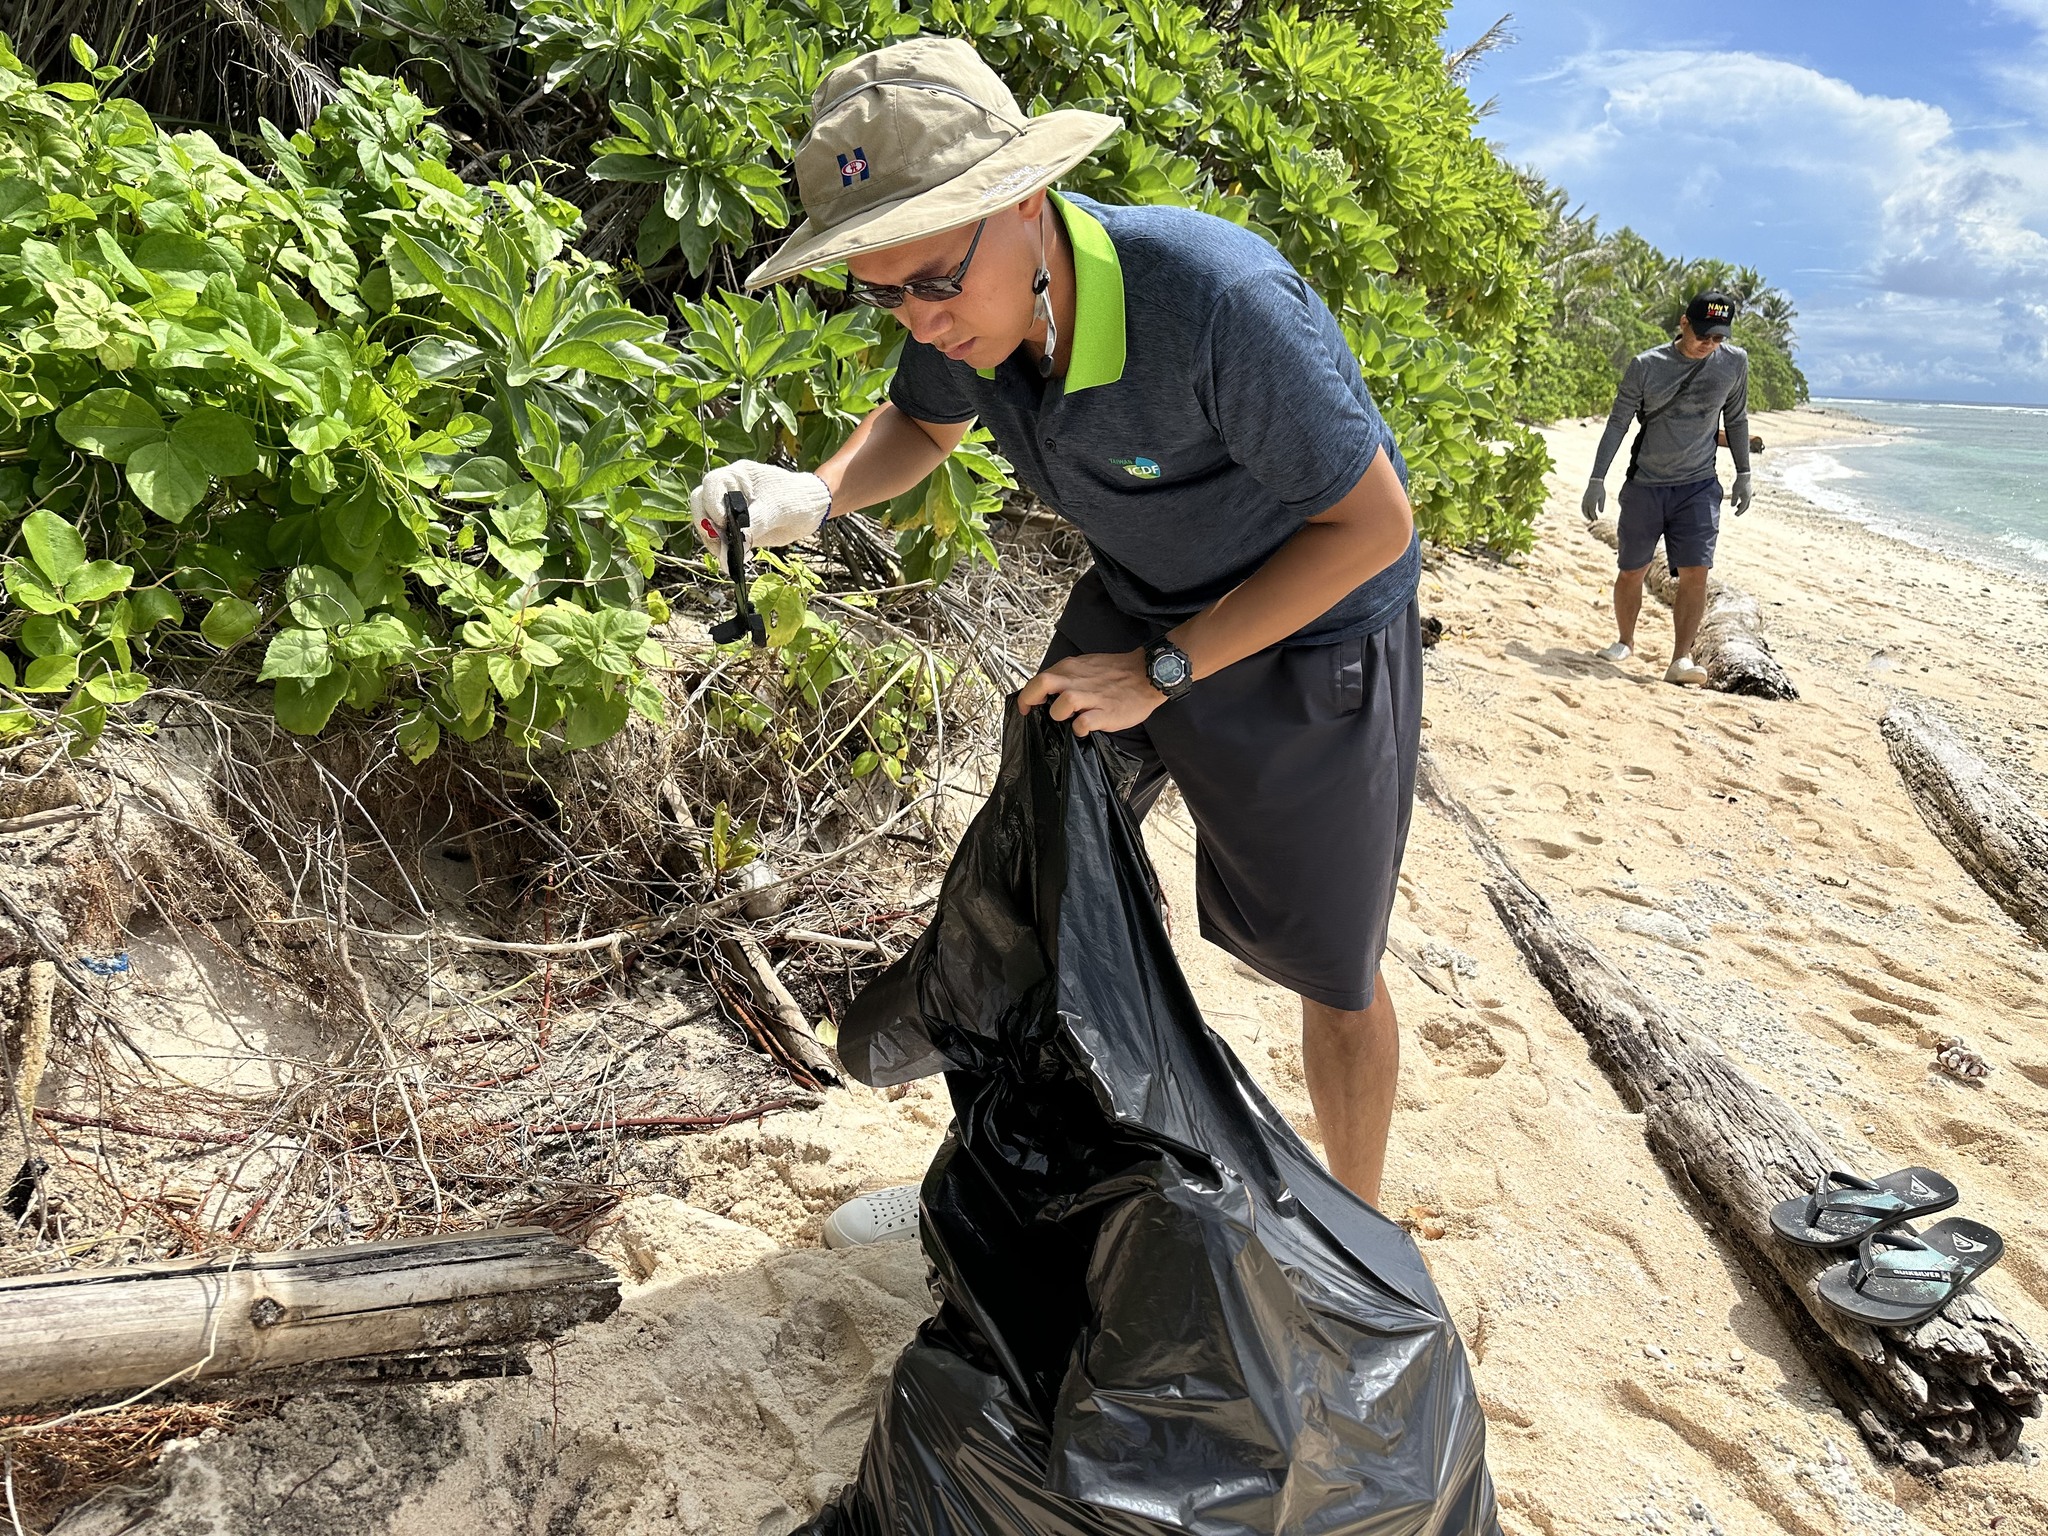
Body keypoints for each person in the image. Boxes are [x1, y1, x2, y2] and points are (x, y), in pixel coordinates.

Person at [686, 37, 1424, 1241]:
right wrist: (810, 496)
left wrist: (1163, 673)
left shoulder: (1216, 301)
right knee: (1030, 888)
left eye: (930, 282)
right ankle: (1013, 1171)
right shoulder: (962, 305)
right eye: (880, 294)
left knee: (1328, 968)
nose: (919, 322)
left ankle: (1359, 1235)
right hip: (1138, 596)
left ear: (1022, 199)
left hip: (1308, 631)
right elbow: (919, 431)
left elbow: (1372, 527)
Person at [1580, 293, 1753, 686]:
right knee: (1631, 570)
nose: (1709, 345)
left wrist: (1744, 472)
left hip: (1698, 487)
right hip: (1646, 485)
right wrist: (1596, 478)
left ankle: (1680, 659)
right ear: (1683, 323)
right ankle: (1625, 640)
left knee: (1697, 573)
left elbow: (1737, 419)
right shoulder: (1646, 366)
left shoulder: (1734, 363)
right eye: (1703, 336)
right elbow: (1617, 423)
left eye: (1718, 338)